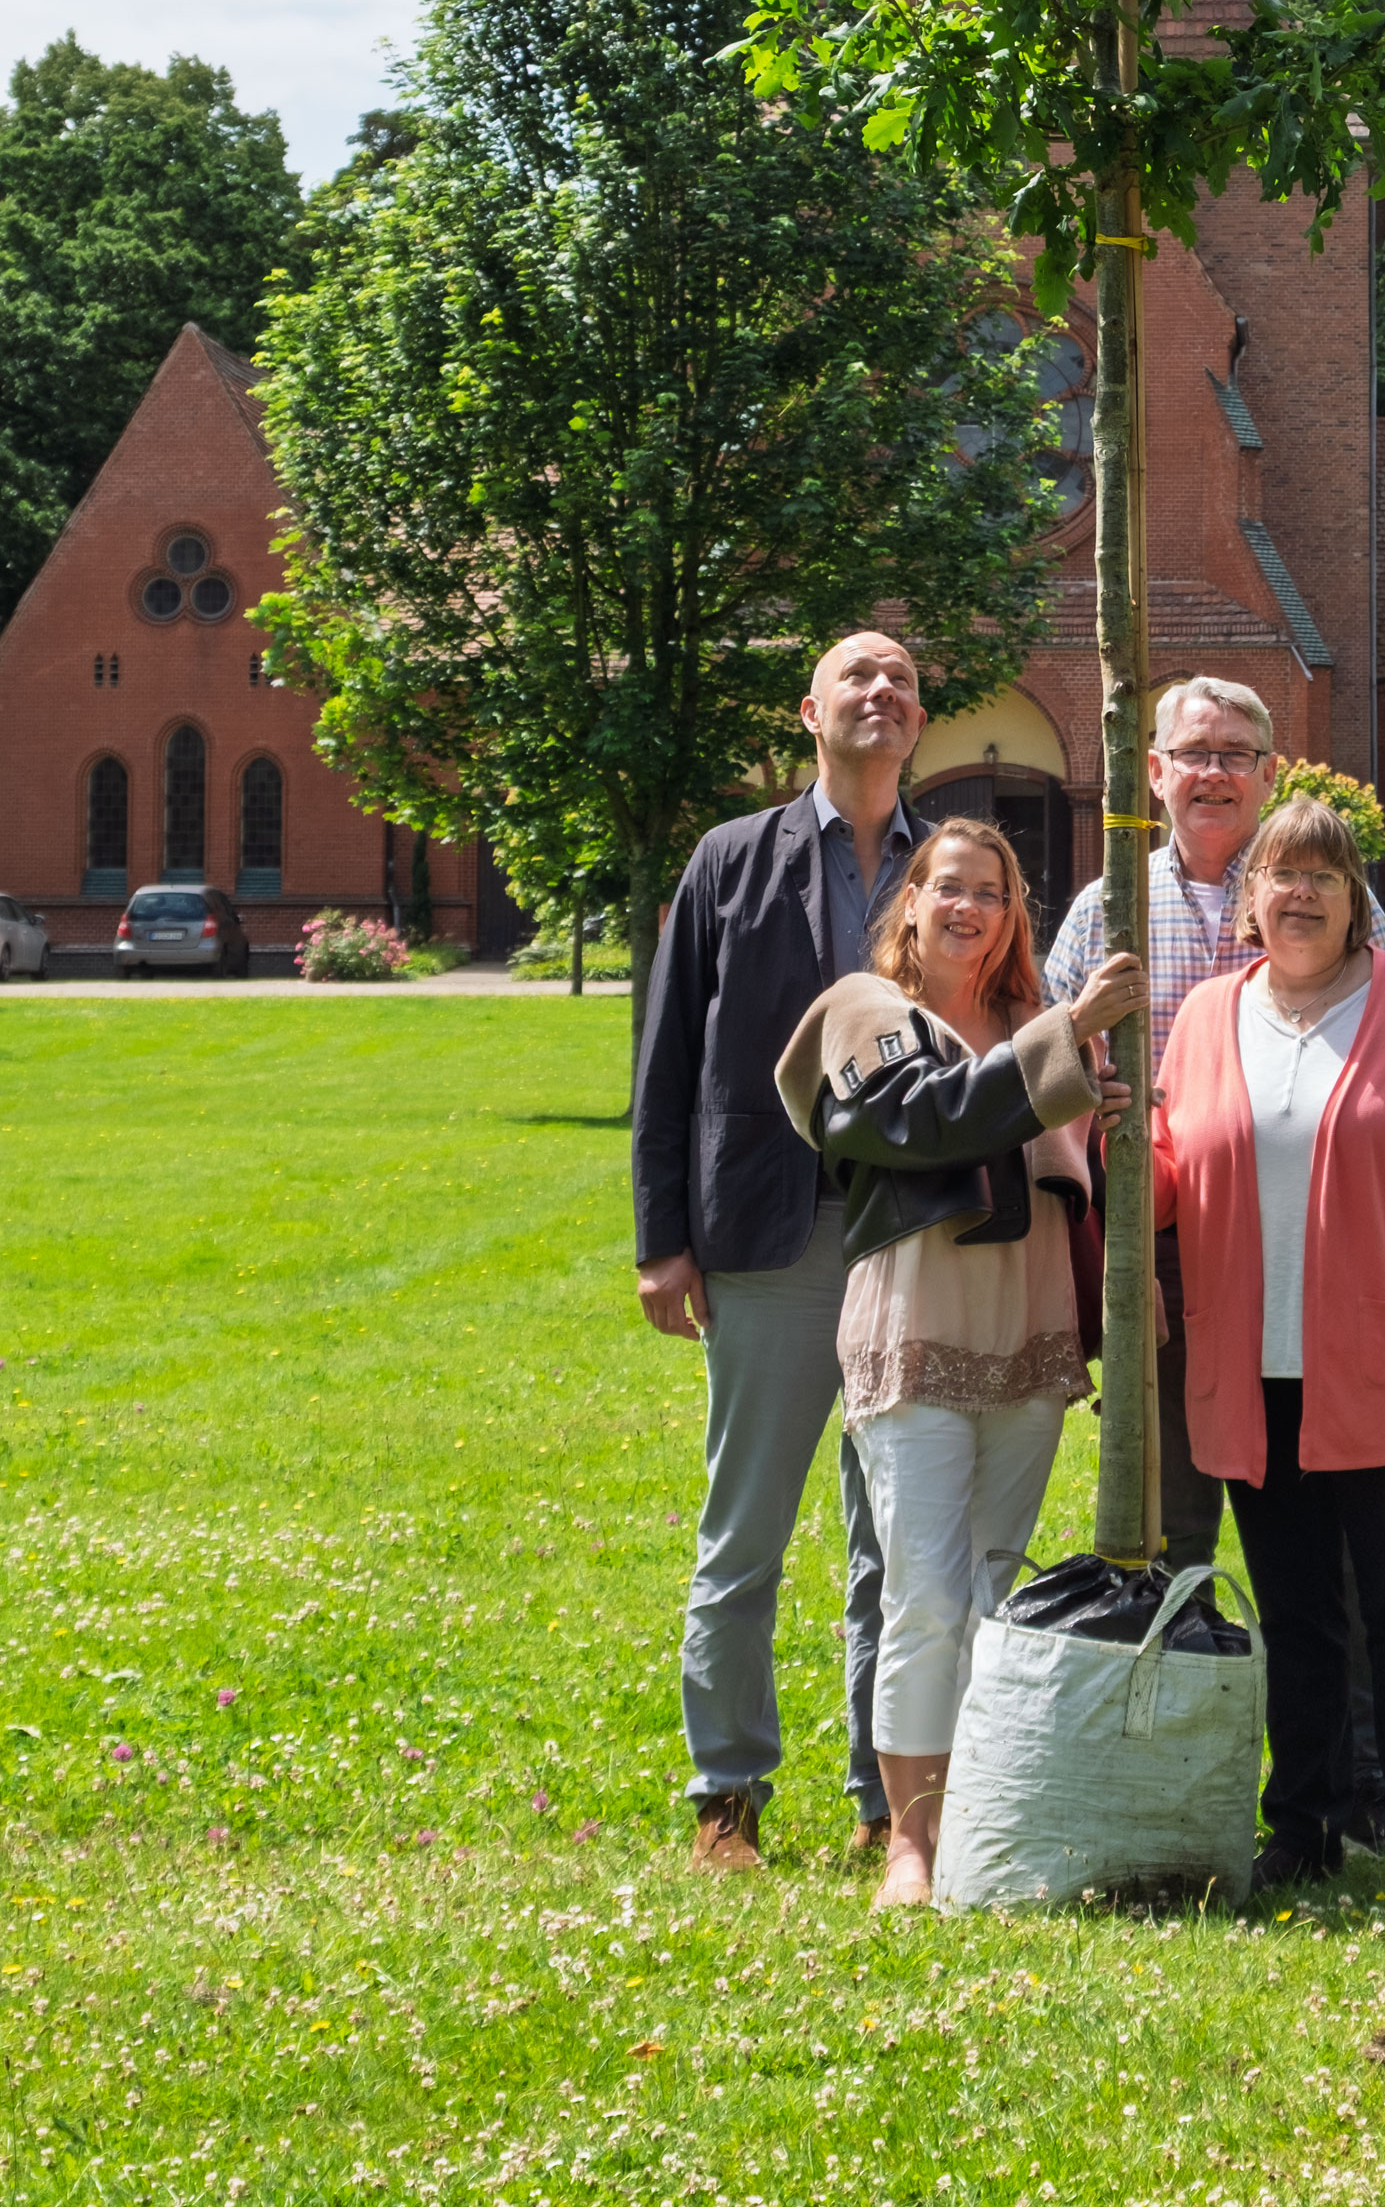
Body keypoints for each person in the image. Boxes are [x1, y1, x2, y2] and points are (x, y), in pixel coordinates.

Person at [776, 819, 1146, 1909]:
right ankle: (908, 1843)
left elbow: (1066, 1160)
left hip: (1025, 1331)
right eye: (947, 886)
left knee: (995, 1583)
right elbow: (925, 1121)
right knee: (925, 1593)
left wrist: (1096, 1102)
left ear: (1012, 913)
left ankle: (986, 1815)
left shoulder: (1038, 1021)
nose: (967, 906)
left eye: (990, 890)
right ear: (910, 903)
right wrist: (1066, 1049)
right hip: (918, 1322)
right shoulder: (865, 1013)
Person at [1151, 792, 1385, 1897]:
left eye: (1322, 875)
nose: (1296, 892)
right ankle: (1300, 1822)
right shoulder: (1209, 1012)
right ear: (1248, 899)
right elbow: (1167, 1169)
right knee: (1295, 1614)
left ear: (1357, 903)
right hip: (1254, 1369)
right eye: (1277, 874)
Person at [633, 631, 931, 1872]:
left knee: (895, 1537)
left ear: (921, 721)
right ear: (810, 711)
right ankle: (727, 1794)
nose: (880, 692)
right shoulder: (729, 861)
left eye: (901, 682)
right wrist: (663, 1242)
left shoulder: (950, 868)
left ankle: (883, 1797)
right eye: (856, 677)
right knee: (744, 1530)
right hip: (764, 1232)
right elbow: (663, 1062)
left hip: (909, 1235)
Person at [1040, 676, 1385, 1573]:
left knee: (1320, 1516)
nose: (1213, 773)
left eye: (1234, 754)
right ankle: (1180, 1699)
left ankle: (1331, 1706)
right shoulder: (1103, 910)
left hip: (1300, 1239)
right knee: (1169, 1520)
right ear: (1154, 771)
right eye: (1194, 753)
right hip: (1153, 1241)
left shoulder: (1316, 895)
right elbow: (1045, 1073)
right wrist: (1114, 1255)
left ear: (1269, 773)